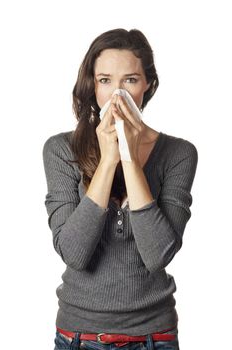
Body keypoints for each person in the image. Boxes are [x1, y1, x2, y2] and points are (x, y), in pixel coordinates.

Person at [42, 28, 198, 350]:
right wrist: (108, 160)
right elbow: (73, 253)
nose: (117, 94)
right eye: (105, 80)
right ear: (92, 86)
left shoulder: (179, 154)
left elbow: (158, 254)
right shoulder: (60, 150)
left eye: (129, 80)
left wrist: (129, 157)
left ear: (148, 86)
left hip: (154, 337)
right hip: (79, 337)